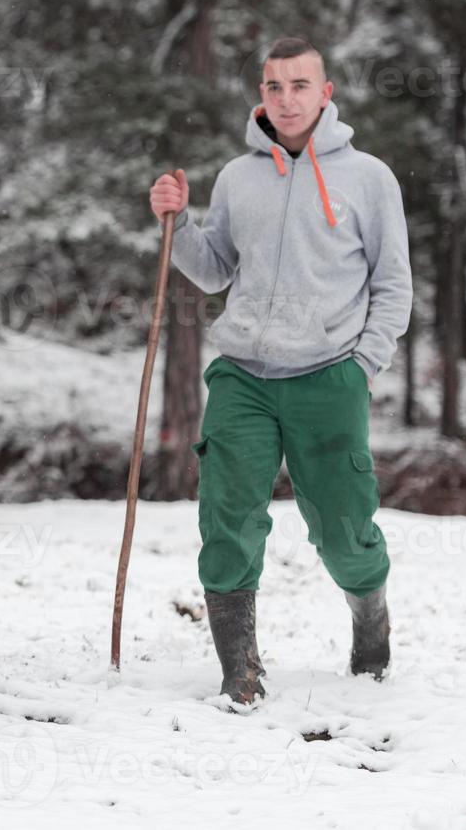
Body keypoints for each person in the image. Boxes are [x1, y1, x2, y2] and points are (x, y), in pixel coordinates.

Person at [149, 37, 412, 706]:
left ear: (326, 94)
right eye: (274, 86)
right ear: (260, 95)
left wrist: (362, 365)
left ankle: (369, 614)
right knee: (227, 513)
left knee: (343, 527)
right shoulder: (239, 176)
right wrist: (174, 223)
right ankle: (240, 667)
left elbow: (393, 285)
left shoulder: (369, 179)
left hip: (329, 375)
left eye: (300, 85)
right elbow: (214, 267)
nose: (287, 98)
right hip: (243, 374)